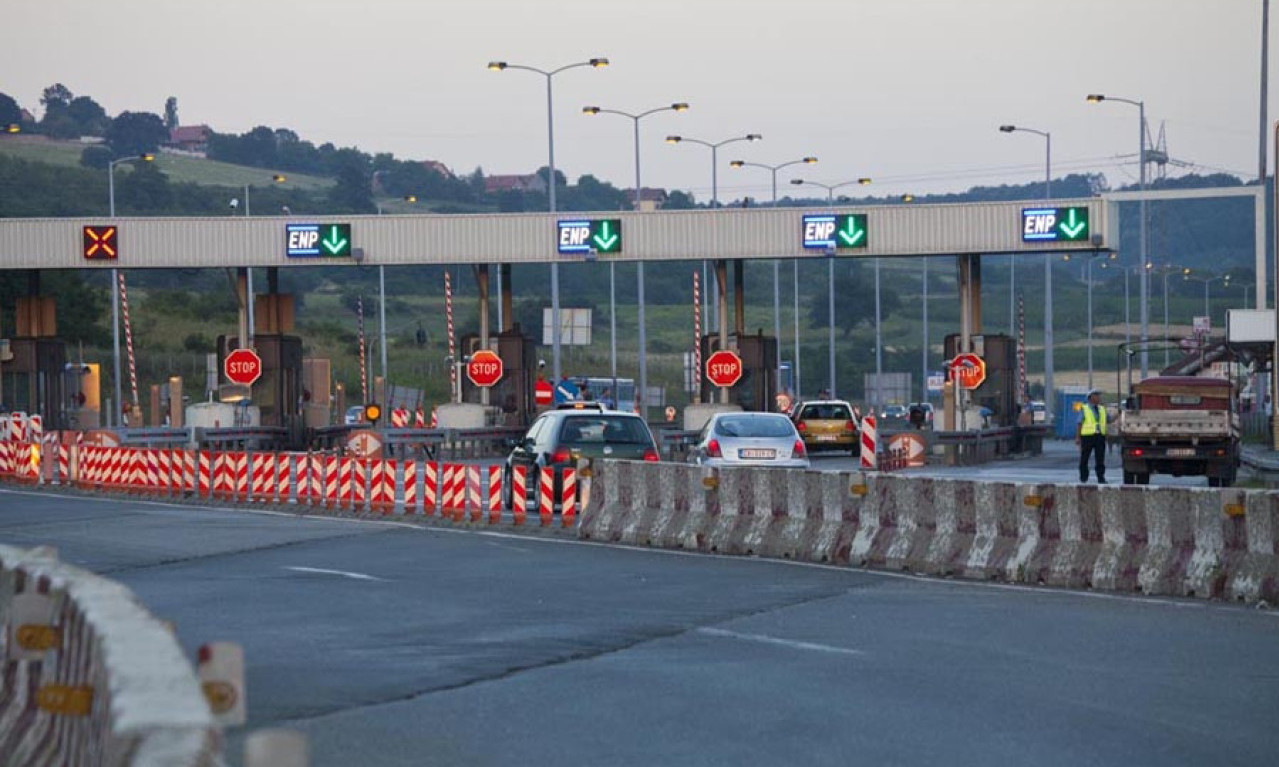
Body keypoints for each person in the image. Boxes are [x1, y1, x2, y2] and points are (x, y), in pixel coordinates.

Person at [1076, 389, 1107, 484]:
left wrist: (1118, 414)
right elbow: (1079, 423)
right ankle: (1084, 476)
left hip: (1099, 436)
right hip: (1088, 436)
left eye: (1099, 395)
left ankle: (1101, 477)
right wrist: (1078, 437)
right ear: (1090, 398)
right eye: (1096, 395)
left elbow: (1108, 420)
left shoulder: (1102, 409)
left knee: (1100, 458)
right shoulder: (1084, 408)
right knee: (1084, 457)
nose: (1099, 397)